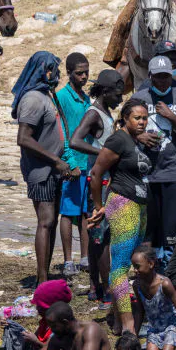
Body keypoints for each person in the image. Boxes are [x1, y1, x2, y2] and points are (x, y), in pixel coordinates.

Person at [88, 98, 150, 333]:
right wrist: (98, 206)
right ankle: (128, 326)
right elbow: (96, 173)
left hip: (140, 206)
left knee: (134, 263)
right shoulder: (117, 140)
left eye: (145, 118)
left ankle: (116, 318)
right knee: (121, 267)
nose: (142, 122)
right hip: (123, 204)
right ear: (125, 118)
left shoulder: (135, 140)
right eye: (137, 118)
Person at [13, 51, 72, 285]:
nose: (56, 74)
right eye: (52, 70)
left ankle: (44, 274)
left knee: (52, 222)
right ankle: (42, 279)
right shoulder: (33, 99)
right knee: (45, 221)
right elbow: (23, 138)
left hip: (54, 168)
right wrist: (55, 161)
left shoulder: (47, 95)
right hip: (41, 170)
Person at [130, 56, 176, 253]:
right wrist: (139, 136)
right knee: (148, 231)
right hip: (145, 174)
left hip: (173, 172)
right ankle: (149, 265)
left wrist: (172, 117)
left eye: (166, 76)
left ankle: (171, 266)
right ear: (150, 76)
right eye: (157, 76)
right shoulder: (139, 98)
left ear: (172, 75)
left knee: (174, 231)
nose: (162, 81)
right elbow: (122, 127)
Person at [69, 69, 123, 301]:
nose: (120, 99)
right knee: (102, 237)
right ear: (105, 91)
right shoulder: (94, 113)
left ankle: (94, 287)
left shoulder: (104, 112)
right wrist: (102, 153)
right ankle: (108, 290)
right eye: (117, 94)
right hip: (99, 182)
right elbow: (75, 140)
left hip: (102, 179)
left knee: (96, 236)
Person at [56, 53, 91, 277]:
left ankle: (85, 257)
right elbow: (62, 132)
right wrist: (69, 162)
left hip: (88, 162)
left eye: (86, 72)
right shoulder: (61, 97)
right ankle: (68, 260)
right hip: (72, 162)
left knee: (86, 213)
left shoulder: (86, 98)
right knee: (68, 213)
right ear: (69, 73)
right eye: (79, 73)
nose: (84, 77)